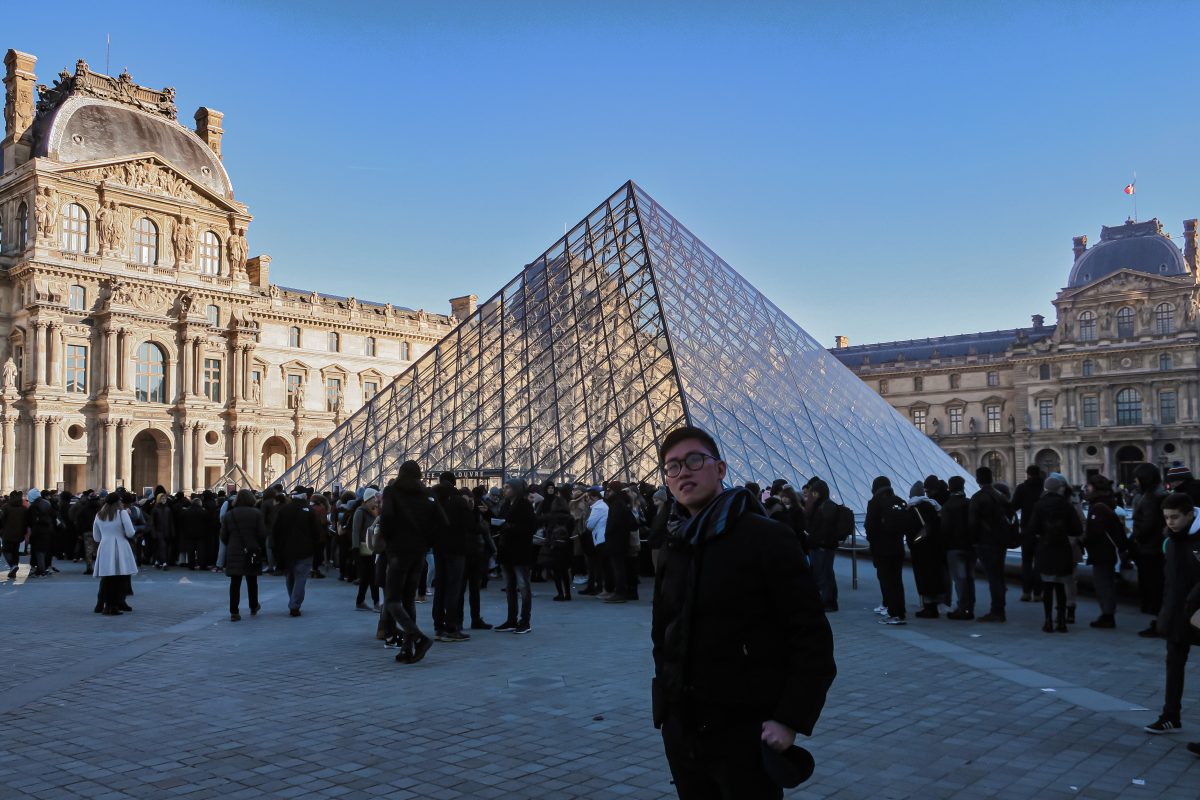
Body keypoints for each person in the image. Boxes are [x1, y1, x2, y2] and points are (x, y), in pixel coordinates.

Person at [652, 426, 836, 798]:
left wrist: (790, 719)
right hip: (684, 726)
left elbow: (812, 637)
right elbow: (663, 632)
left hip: (745, 729)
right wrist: (666, 710)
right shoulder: (676, 543)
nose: (683, 472)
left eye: (694, 460)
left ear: (720, 469)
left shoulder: (767, 538)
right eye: (672, 466)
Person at [1143, 491, 1200, 737]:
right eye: (1166, 518)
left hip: (1197, 610)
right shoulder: (1171, 539)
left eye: (1175, 517)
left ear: (1190, 514)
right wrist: (1166, 612)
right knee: (1174, 663)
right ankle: (1170, 716)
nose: (1170, 522)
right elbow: (1171, 580)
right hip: (1178, 610)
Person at [380, 460, 439, 662]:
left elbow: (386, 517)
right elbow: (442, 522)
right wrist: (426, 541)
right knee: (408, 600)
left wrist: (390, 541)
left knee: (392, 599)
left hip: (398, 550)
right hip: (419, 551)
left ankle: (418, 637)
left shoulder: (392, 491)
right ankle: (407, 648)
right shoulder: (427, 494)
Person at [1028, 473, 1082, 634]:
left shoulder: (1039, 505)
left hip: (1045, 548)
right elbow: (1077, 529)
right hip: (1062, 548)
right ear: (1059, 488)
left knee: (1048, 586)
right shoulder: (1067, 505)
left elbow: (1032, 529)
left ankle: (1047, 621)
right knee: (1060, 587)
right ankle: (1062, 622)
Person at [969, 467, 1013, 623]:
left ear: (977, 480)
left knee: (993, 577)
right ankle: (1000, 607)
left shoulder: (977, 498)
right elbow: (1011, 516)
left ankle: (997, 611)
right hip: (1001, 541)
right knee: (999, 576)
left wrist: (973, 541)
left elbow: (973, 523)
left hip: (985, 542)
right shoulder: (1000, 496)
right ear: (992, 478)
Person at [432, 472, 472, 642]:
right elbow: (469, 525)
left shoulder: (434, 499)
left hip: (438, 548)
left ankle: (438, 626)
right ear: (454, 483)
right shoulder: (458, 501)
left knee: (440, 586)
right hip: (456, 549)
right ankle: (451, 626)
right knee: (454, 588)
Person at [272, 486, 323, 617]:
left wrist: (276, 549)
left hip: (287, 550)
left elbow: (276, 531)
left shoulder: (284, 510)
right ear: (305, 496)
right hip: (306, 550)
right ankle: (295, 604)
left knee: (290, 577)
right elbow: (317, 532)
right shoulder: (310, 511)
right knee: (301, 578)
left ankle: (292, 600)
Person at [494, 478, 536, 633]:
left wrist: (509, 527)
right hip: (507, 551)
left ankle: (525, 621)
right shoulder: (505, 505)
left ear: (516, 489)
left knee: (523, 587)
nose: (504, 490)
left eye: (507, 487)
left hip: (520, 551)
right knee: (510, 587)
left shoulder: (525, 506)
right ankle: (511, 620)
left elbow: (531, 527)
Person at [1083, 474, 1125, 629]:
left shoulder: (1098, 507)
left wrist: (1084, 539)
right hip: (1107, 551)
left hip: (1102, 552)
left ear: (1095, 487)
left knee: (1103, 584)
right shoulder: (1105, 503)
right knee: (1106, 583)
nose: (1086, 488)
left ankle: (1107, 616)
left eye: (1089, 486)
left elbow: (1096, 531)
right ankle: (1108, 613)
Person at [865, 476, 908, 624]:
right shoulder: (898, 501)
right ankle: (900, 613)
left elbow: (869, 527)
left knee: (887, 581)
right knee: (897, 581)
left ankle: (893, 613)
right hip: (898, 548)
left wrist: (873, 542)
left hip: (882, 549)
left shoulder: (875, 503)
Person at [1133, 463, 1168, 638]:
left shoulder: (1151, 498)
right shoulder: (1155, 495)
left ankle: (1160, 623)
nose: (1135, 481)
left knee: (1154, 587)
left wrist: (1136, 536)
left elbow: (1147, 524)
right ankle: (1160, 621)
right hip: (1154, 548)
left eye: (1137, 478)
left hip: (1150, 549)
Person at [222, 489, 265, 621]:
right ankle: (253, 605)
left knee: (235, 582)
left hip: (234, 550)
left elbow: (223, 536)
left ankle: (234, 611)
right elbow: (262, 534)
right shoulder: (257, 513)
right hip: (251, 549)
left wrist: (231, 544)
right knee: (252, 580)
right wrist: (257, 545)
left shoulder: (229, 515)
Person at [92, 493, 137, 615]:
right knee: (120, 577)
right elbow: (130, 532)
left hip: (105, 546)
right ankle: (114, 605)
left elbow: (96, 537)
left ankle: (104, 603)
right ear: (118, 502)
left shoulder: (99, 515)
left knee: (108, 577)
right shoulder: (122, 513)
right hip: (120, 546)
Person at [908, 482, 946, 619]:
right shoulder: (933, 506)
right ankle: (934, 605)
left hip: (920, 548)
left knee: (924, 576)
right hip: (935, 547)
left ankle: (929, 607)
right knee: (934, 575)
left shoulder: (913, 508)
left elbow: (910, 530)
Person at [802, 479, 841, 612]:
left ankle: (829, 602)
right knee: (824, 574)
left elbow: (824, 529)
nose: (813, 495)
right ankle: (827, 600)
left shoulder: (826, 506)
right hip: (818, 545)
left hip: (822, 546)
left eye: (815, 493)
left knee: (825, 575)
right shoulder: (820, 505)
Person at [940, 476, 974, 619]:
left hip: (954, 547)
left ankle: (962, 609)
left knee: (959, 579)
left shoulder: (948, 505)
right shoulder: (969, 503)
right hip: (970, 547)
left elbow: (945, 528)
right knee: (969, 578)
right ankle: (969, 608)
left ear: (950, 487)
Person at [1012, 465, 1045, 603]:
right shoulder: (1045, 488)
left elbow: (1014, 506)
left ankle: (1026, 592)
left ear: (1028, 474)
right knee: (1039, 562)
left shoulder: (1022, 488)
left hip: (1026, 529)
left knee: (1026, 562)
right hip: (1042, 530)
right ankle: (1038, 594)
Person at [352, 488, 381, 611]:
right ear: (367, 500)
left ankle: (360, 601)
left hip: (372, 547)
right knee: (371, 576)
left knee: (367, 577)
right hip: (363, 549)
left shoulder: (375, 512)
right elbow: (356, 531)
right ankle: (375, 602)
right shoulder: (360, 512)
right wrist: (355, 548)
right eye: (374, 499)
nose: (376, 501)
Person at [1, 491, 26, 578]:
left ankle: (13, 566)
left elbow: (1, 519)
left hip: (7, 533)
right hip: (19, 533)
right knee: (16, 551)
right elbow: (26, 521)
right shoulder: (23, 508)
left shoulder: (5, 507)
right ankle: (14, 567)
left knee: (6, 550)